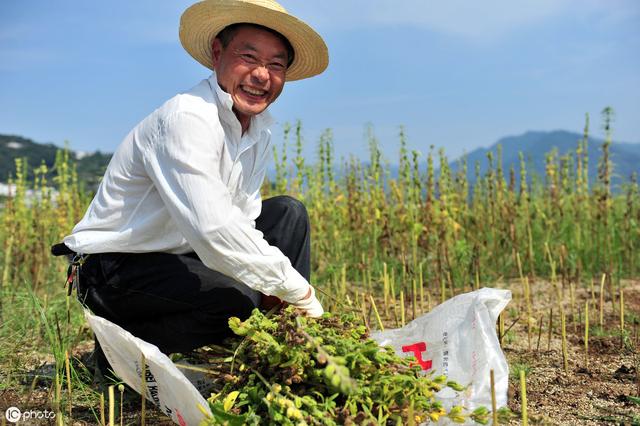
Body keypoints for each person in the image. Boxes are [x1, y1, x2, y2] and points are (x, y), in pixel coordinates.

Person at [51, 0, 328, 381]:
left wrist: (274, 288)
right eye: (249, 57)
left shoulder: (257, 128)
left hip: (180, 255)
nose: (262, 75)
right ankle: (121, 355)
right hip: (116, 266)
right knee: (238, 299)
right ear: (218, 53)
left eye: (276, 65)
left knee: (288, 214)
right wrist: (298, 291)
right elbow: (214, 230)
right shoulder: (188, 117)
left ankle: (283, 352)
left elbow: (240, 218)